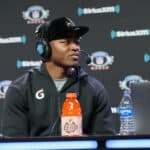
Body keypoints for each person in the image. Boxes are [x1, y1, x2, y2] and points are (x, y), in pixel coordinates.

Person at [2, 16, 116, 137]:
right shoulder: (20, 90)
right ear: (44, 48)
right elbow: (14, 144)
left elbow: (105, 142)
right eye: (65, 42)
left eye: (77, 41)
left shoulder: (94, 89)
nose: (75, 47)